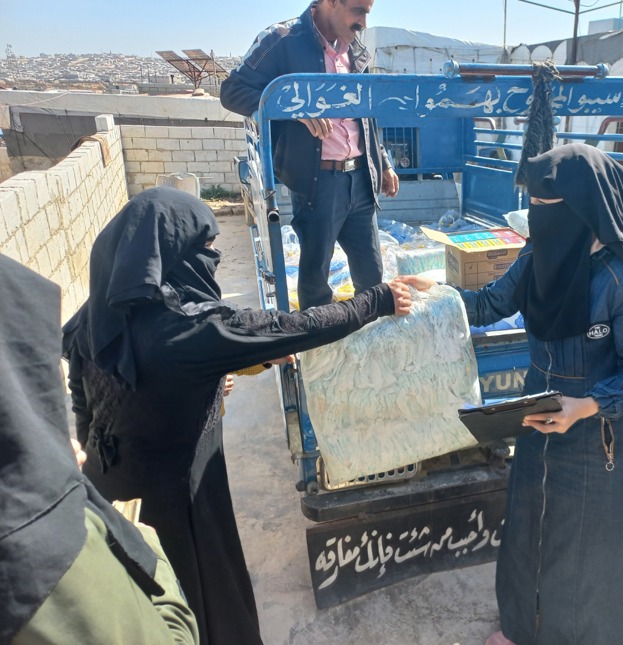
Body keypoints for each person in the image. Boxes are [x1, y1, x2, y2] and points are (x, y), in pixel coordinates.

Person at [61, 187, 412, 645]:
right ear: (173, 251)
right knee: (205, 602)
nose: (213, 256)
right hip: (179, 501)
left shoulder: (94, 315)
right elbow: (294, 327)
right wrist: (379, 299)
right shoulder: (186, 325)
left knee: (139, 604)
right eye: (205, 247)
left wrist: (206, 385)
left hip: (109, 491)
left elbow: (89, 402)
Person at [401, 143, 623, 645]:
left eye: (547, 207)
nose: (536, 218)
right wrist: (433, 293)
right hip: (538, 422)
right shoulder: (537, 254)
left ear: (583, 208)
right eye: (533, 206)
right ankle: (522, 629)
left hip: (597, 442)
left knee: (587, 560)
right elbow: (488, 304)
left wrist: (584, 406)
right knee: (527, 535)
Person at [0, 254, 199, 645]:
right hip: (151, 483)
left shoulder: (89, 325)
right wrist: (141, 545)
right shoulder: (42, 549)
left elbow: (81, 404)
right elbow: (170, 635)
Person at [220, 0, 399, 309]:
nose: (364, 23)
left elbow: (366, 114)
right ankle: (320, 348)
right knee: (316, 279)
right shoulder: (281, 39)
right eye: (359, 10)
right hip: (319, 182)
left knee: (371, 276)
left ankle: (369, 342)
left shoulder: (355, 50)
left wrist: (382, 161)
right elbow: (232, 91)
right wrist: (296, 107)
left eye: (368, 12)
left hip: (361, 178)